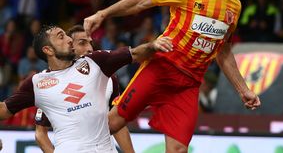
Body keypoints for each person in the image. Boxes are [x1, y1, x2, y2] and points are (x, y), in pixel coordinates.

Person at [84, 0, 261, 152]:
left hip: (188, 84)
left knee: (178, 149)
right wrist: (102, 13)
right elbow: (140, 2)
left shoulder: (235, 6)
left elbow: (223, 51)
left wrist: (243, 90)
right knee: (112, 124)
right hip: (161, 68)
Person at [0, 25, 173, 153]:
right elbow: (4, 111)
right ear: (48, 50)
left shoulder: (96, 62)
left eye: (68, 36)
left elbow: (134, 53)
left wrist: (153, 45)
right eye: (61, 37)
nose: (69, 39)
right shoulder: (37, 83)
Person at [34, 25, 135, 153]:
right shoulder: (49, 83)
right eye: (82, 43)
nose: (89, 48)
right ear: (69, 45)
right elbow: (40, 133)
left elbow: (117, 123)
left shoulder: (107, 77)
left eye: (90, 43)